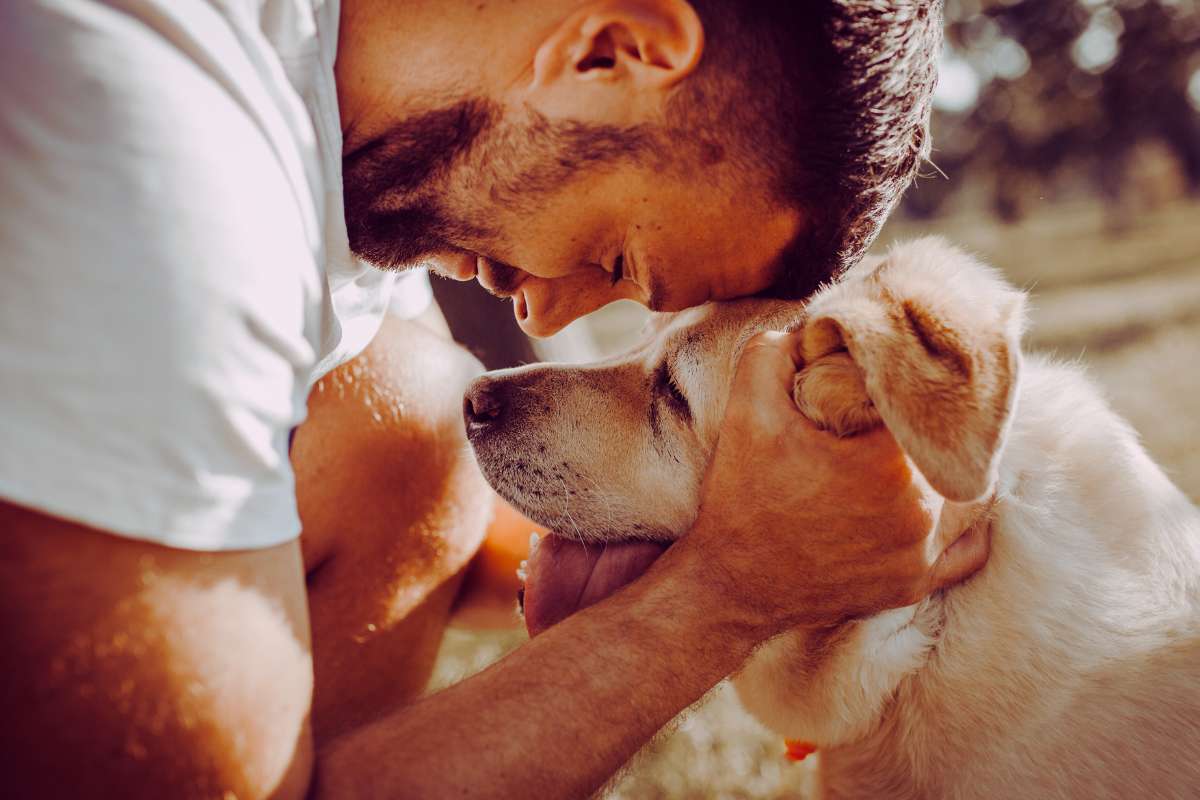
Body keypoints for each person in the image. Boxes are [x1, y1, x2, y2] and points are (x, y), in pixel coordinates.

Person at [0, 1, 986, 798]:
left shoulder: (331, 123)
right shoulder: (154, 150)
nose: (549, 318)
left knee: (406, 413)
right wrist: (733, 589)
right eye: (615, 256)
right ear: (613, 49)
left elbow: (432, 527)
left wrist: (799, 535)